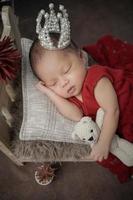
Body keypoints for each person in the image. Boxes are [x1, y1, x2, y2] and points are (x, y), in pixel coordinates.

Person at [29, 3, 133, 182]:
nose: (64, 82)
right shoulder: (70, 97)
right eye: (54, 82)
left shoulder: (95, 77)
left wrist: (103, 143)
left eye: (67, 69)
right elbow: (75, 115)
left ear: (81, 56)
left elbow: (112, 111)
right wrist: (50, 93)